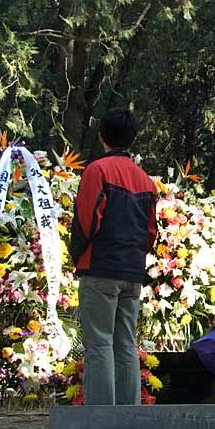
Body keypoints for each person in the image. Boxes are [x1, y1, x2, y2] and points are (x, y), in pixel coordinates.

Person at [69, 109, 157, 405]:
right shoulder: (146, 180)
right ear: (133, 140)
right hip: (131, 273)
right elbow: (151, 232)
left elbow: (86, 221)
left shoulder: (97, 170)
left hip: (100, 268)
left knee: (99, 345)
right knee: (126, 345)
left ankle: (101, 419)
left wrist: (75, 255)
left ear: (101, 136)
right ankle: (129, 416)